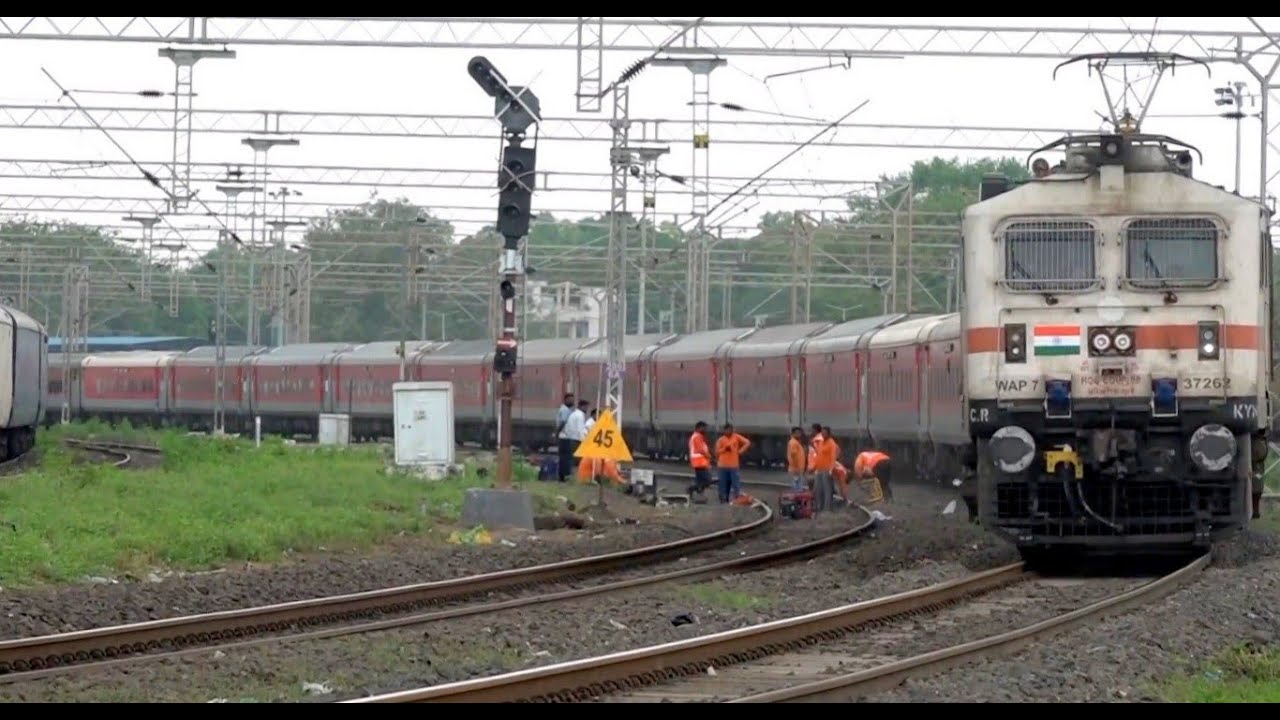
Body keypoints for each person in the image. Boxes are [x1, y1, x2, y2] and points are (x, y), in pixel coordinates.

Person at [715, 423, 751, 503]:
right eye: (726, 430)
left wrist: (740, 451)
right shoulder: (721, 440)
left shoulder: (736, 437)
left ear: (732, 430)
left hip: (734, 465)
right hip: (723, 465)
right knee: (723, 483)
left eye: (729, 430)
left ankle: (737, 498)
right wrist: (725, 449)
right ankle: (723, 498)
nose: (728, 431)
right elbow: (717, 451)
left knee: (735, 483)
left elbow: (747, 442)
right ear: (724, 431)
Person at [810, 424, 837, 512]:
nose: (823, 435)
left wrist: (831, 469)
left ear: (829, 434)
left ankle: (827, 508)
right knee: (818, 489)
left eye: (825, 433)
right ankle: (819, 507)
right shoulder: (821, 442)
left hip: (827, 470)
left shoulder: (832, 443)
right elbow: (818, 456)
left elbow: (833, 457)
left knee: (827, 490)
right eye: (822, 433)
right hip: (819, 469)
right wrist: (814, 467)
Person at [687, 421, 713, 499]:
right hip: (700, 462)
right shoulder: (697, 436)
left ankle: (699, 495)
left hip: (698, 462)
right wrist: (709, 456)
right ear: (699, 428)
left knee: (700, 481)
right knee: (707, 480)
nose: (705, 430)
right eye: (704, 428)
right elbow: (700, 449)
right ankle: (691, 489)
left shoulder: (696, 436)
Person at [554, 393, 576, 482]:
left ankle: (562, 476)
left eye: (573, 399)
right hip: (564, 437)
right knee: (565, 458)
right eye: (571, 400)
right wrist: (557, 433)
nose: (572, 401)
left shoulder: (564, 409)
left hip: (564, 436)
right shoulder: (565, 410)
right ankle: (562, 477)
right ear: (566, 400)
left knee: (564, 457)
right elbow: (562, 422)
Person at [786, 427, 807, 492]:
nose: (799, 434)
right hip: (796, 469)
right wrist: (796, 468)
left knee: (797, 488)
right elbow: (794, 456)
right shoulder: (793, 443)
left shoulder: (795, 442)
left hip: (797, 469)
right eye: (797, 433)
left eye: (800, 433)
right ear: (793, 434)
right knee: (797, 489)